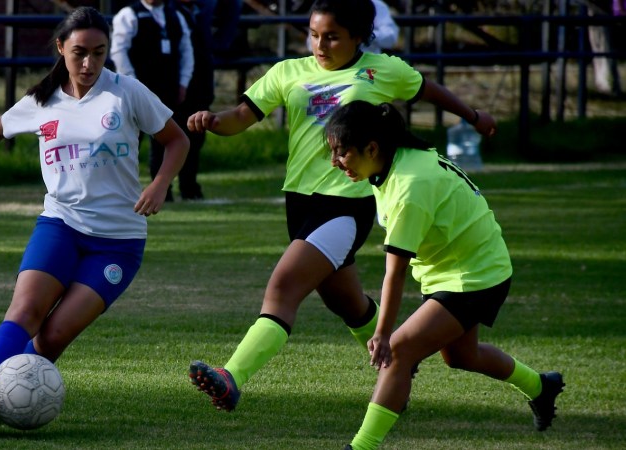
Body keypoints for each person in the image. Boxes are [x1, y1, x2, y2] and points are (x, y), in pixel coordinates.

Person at [186, 0, 497, 413]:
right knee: (346, 303)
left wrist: (473, 115)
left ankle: (231, 377)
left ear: (358, 37)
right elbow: (242, 115)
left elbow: (426, 89)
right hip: (299, 203)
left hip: (346, 205)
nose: (320, 45)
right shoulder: (288, 71)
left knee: (283, 288)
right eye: (314, 35)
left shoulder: (381, 70)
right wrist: (213, 121)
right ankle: (396, 365)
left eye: (332, 37)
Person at [0, 6, 189, 431]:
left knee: (55, 334)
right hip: (60, 225)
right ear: (61, 48)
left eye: (99, 52)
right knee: (26, 309)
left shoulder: (126, 92)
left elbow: (177, 140)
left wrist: (159, 184)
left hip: (118, 242)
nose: (89, 63)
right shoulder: (42, 100)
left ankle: (14, 396)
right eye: (80, 52)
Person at [324, 101, 564, 449]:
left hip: (475, 274)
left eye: (341, 152)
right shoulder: (395, 161)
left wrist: (383, 333)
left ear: (372, 148)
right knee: (462, 356)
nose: (335, 161)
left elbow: (395, 273)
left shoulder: (409, 186)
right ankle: (542, 386)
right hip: (455, 268)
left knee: (399, 351)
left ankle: (360, 447)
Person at [111, 0, 194, 201]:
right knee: (129, 140)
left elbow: (186, 51)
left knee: (165, 140)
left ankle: (163, 190)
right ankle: (119, 190)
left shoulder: (176, 16)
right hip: (136, 90)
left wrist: (183, 82)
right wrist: (131, 84)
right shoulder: (128, 14)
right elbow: (118, 51)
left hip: (167, 90)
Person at [175, 0, 216, 200]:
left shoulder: (202, 10)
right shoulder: (170, 13)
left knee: (195, 138)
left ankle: (189, 185)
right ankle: (163, 189)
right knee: (168, 140)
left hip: (200, 87)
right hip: (177, 88)